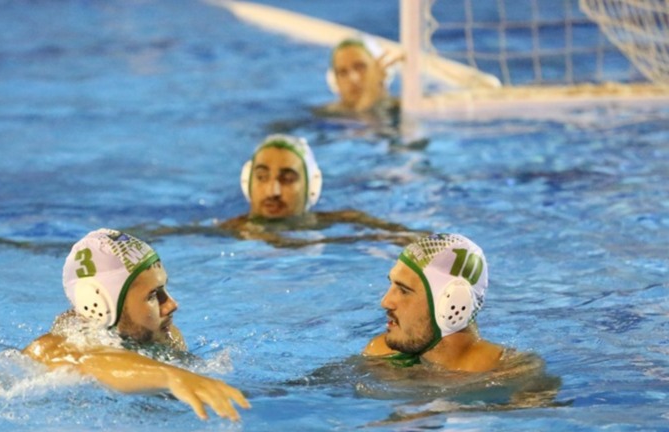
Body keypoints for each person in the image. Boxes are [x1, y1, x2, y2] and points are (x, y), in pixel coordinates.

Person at [23, 228, 250, 421]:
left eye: (164, 290)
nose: (171, 304)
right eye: (153, 296)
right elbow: (88, 360)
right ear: (101, 304)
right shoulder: (50, 348)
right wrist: (172, 377)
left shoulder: (163, 334)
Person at [144, 134, 421, 249]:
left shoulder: (350, 218)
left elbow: (418, 242)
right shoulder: (227, 231)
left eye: (287, 179)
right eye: (262, 177)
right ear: (247, 182)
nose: (273, 190)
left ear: (312, 186)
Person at [364, 233, 504, 372]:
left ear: (451, 302)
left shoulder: (507, 374)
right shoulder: (381, 357)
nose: (385, 302)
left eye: (404, 290)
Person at [321, 36, 402, 116]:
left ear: (383, 72)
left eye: (360, 67)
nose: (353, 78)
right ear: (336, 82)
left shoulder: (404, 108)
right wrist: (371, 91)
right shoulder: (327, 116)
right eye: (343, 72)